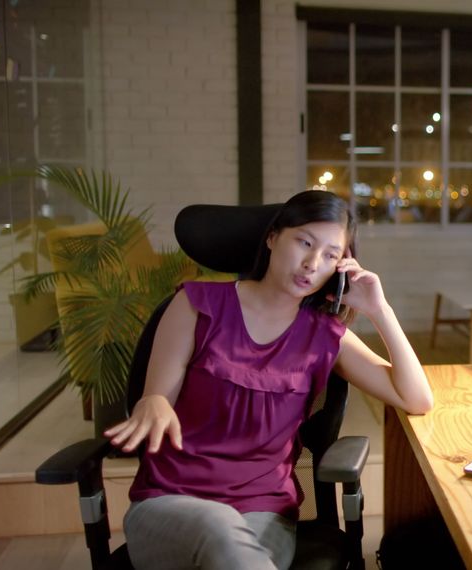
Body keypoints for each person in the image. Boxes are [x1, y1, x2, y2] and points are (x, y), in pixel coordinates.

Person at [103, 190, 433, 569]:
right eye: (304, 242)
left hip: (264, 513)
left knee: (232, 544)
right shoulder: (196, 304)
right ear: (273, 237)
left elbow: (417, 399)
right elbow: (156, 397)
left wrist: (380, 310)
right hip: (169, 504)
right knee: (218, 524)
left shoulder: (324, 335)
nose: (312, 263)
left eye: (330, 255)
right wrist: (153, 403)